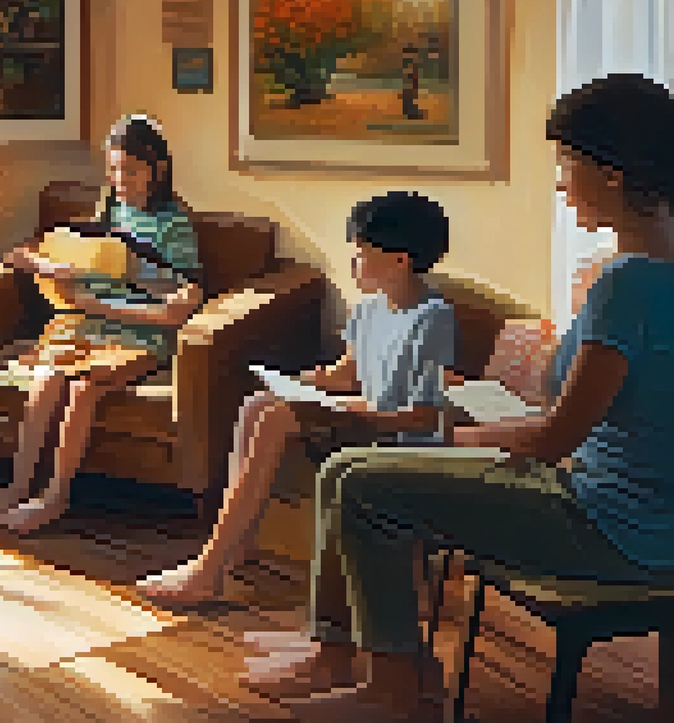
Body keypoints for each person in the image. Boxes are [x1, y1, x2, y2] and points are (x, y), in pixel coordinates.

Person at [241, 73, 674, 722]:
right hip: (628, 512)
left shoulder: (628, 284)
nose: (560, 183)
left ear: (611, 173)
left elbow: (557, 437)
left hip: (612, 527)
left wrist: (454, 437)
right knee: (344, 470)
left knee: (362, 484)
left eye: (567, 163)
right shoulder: (640, 272)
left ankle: (396, 691)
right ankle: (346, 656)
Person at [139, 190, 457, 606]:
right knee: (256, 405)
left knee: (274, 419)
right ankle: (239, 541)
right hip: (362, 420)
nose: (353, 262)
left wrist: (341, 409)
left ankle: (207, 570)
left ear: (400, 261)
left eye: (361, 252)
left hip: (396, 436)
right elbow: (346, 373)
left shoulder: (432, 318)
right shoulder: (370, 310)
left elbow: (422, 415)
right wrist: (300, 382)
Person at [0, 114, 206, 533]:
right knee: (46, 375)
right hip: (88, 322)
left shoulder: (174, 223)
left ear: (157, 169)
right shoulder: (110, 211)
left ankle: (54, 497)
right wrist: (49, 268)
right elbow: (88, 263)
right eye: (113, 170)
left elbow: (178, 298)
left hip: (140, 331)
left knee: (83, 384)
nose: (119, 180)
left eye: (130, 170)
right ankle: (19, 486)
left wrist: (102, 303)